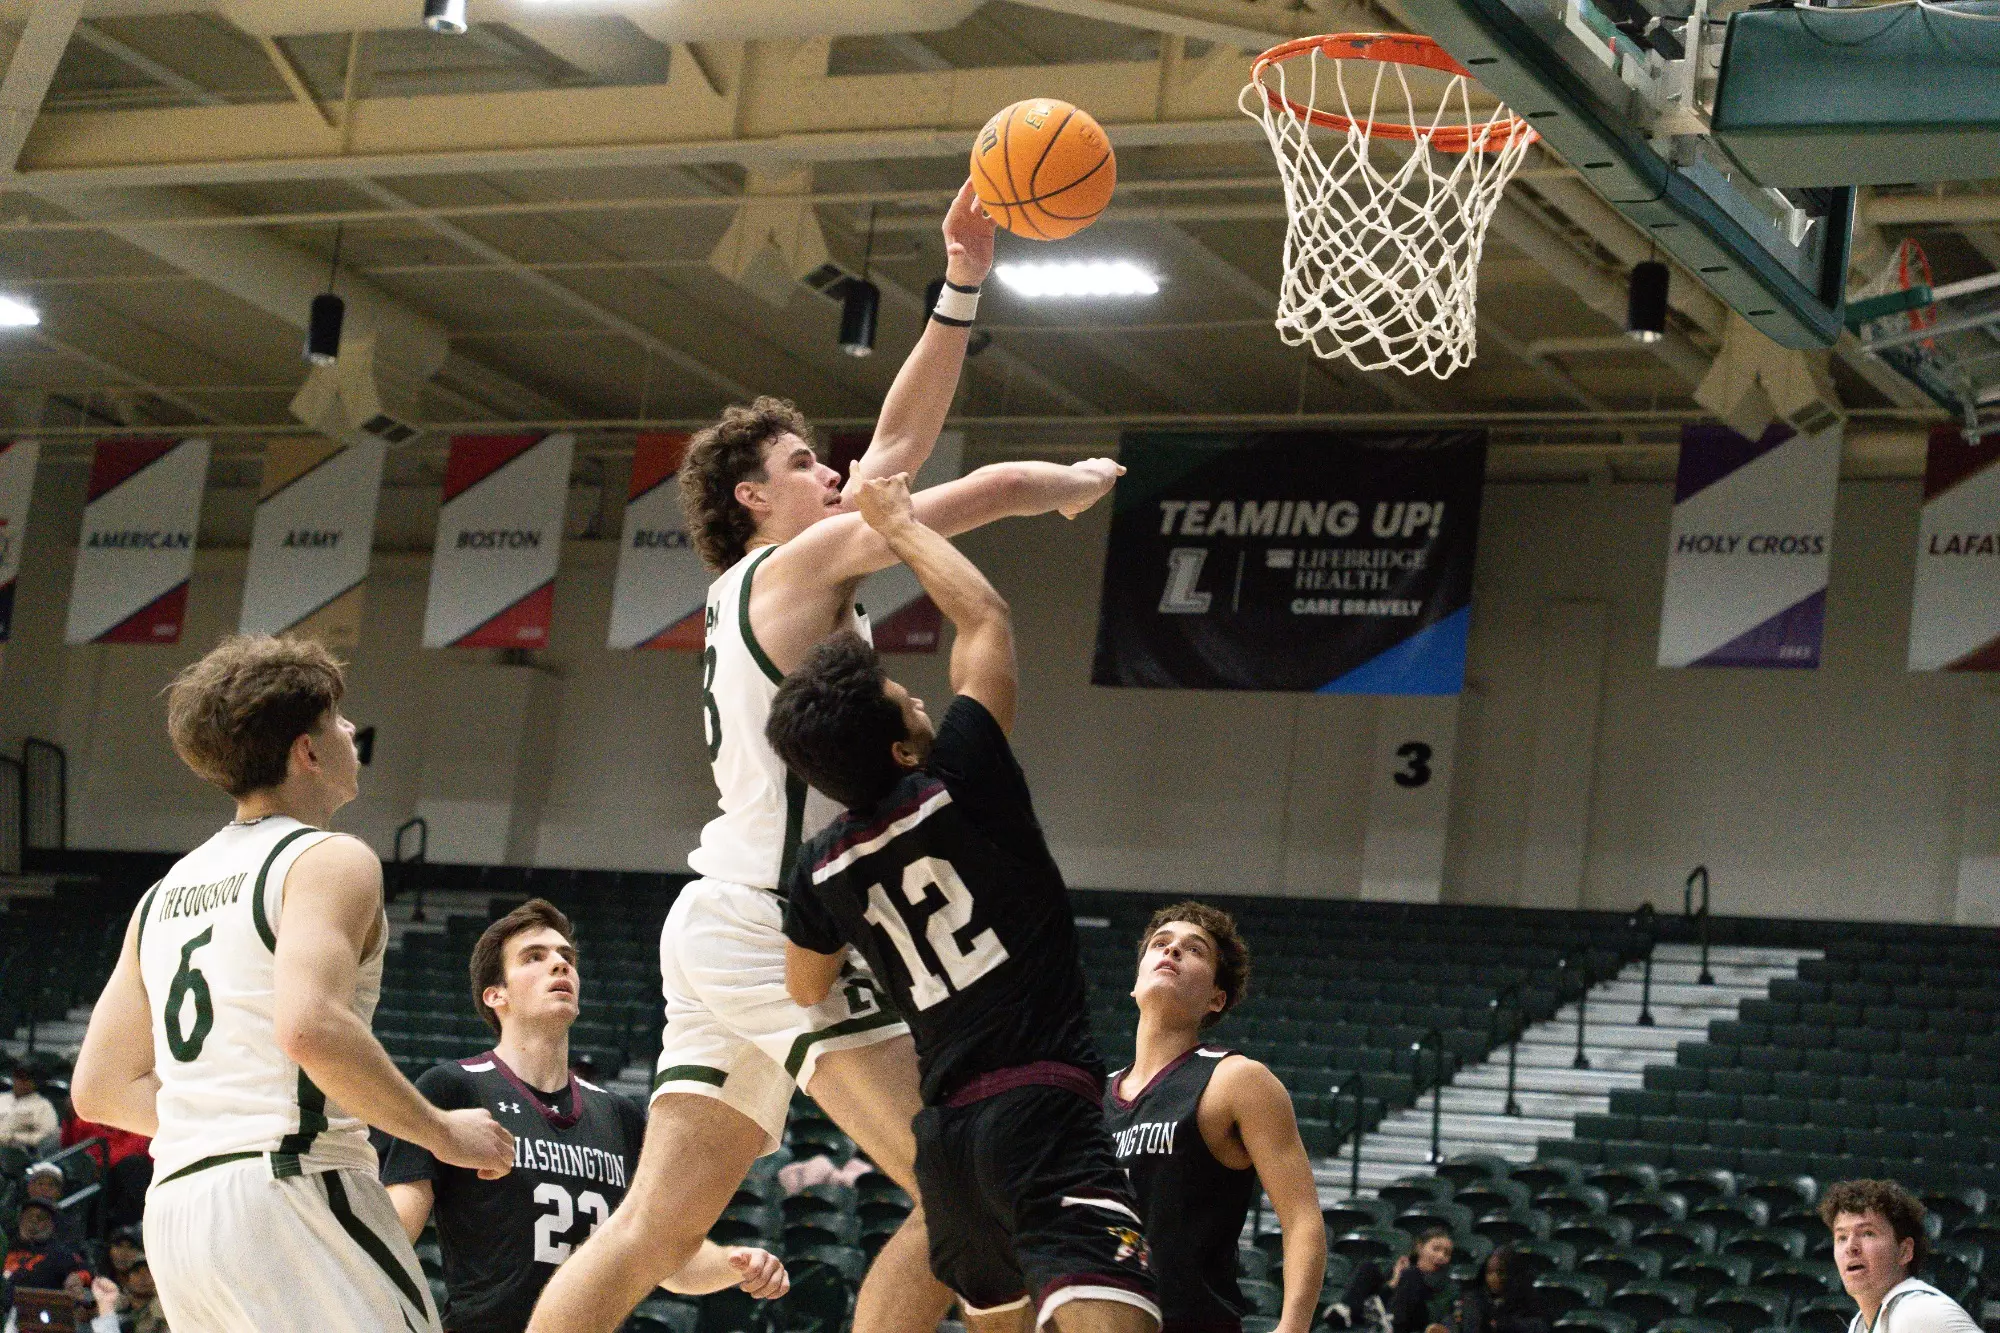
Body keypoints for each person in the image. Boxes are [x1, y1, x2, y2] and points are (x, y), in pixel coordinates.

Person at [529, 186, 1122, 1333]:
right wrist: (1064, 486)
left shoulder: (762, 587)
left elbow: (893, 453)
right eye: (806, 463)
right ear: (752, 497)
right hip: (769, 921)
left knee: (655, 1228)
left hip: (724, 913)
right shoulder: (784, 571)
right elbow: (961, 489)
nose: (832, 471)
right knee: (959, 1185)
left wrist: (960, 284)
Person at [772, 474, 1157, 1333]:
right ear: (905, 750)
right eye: (907, 701)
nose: (922, 697)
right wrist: (900, 524)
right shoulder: (963, 778)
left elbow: (805, 985)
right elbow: (985, 618)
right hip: (1043, 1109)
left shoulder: (820, 866)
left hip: (947, 1142)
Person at [70, 634, 516, 1333]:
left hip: (179, 1212)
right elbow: (310, 1027)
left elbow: (99, 1087)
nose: (350, 729)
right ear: (306, 751)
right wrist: (440, 1132)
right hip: (293, 1185)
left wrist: (226, 1122)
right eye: (336, 718)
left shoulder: (161, 893)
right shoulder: (329, 858)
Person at [381, 898, 789, 1333]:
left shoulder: (620, 1114)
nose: (559, 964)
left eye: (566, 957)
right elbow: (394, 1230)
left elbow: (665, 1254)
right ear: (495, 994)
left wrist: (734, 1264)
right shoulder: (453, 1087)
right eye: (534, 957)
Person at [1104, 904, 1325, 1333]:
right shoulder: (1091, 1097)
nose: (1172, 951)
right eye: (1160, 944)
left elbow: (1302, 1219)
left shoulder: (1238, 1080)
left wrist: (1292, 1327)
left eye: (1194, 950)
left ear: (1216, 999)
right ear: (1135, 983)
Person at [1821, 1179, 1980, 1333]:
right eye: (1842, 1237)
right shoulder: (1860, 1323)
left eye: (1867, 1233)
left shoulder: (1921, 1312)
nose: (1850, 1247)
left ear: (1904, 1251)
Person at [61, 1112, 152, 1230]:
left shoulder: (135, 1129)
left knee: (133, 1166)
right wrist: (68, 1121)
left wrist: (104, 1165)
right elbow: (69, 1149)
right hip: (91, 1180)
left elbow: (140, 1151)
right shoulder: (84, 1123)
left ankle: (128, 1228)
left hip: (118, 1180)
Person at [1455, 1248, 1546, 1333]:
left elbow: (1540, 1325)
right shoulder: (1473, 1299)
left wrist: (1504, 1324)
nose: (1494, 1278)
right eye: (1490, 1272)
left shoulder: (1527, 1298)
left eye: (1501, 1272)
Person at [0, 1065, 59, 1151]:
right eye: (18, 1077)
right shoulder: (2, 1097)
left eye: (26, 1079)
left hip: (17, 1151)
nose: (20, 1082)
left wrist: (13, 1137)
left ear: (34, 1082)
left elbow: (47, 1136)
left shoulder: (43, 1105)